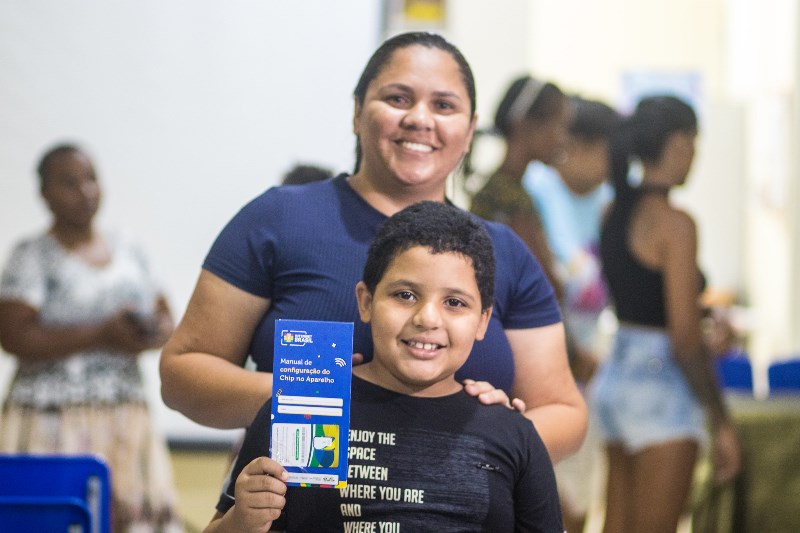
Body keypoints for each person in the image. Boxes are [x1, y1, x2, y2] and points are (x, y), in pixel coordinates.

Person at [159, 31, 586, 464]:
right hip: (296, 507)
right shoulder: (279, 219)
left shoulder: (504, 251)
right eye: (398, 98)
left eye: (444, 105)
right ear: (357, 111)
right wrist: (319, 400)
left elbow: (565, 413)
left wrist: (485, 431)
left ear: (470, 128)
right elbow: (183, 373)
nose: (420, 118)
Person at [206, 201, 564, 533]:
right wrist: (241, 520)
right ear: (366, 301)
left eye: (454, 302)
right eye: (405, 295)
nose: (427, 318)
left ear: (483, 320)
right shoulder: (298, 412)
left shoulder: (514, 435)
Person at [0, 143, 183, 531]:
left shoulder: (130, 248)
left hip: (125, 415)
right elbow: (14, 334)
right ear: (44, 194)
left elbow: (168, 318)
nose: (84, 191)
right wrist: (101, 334)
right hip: (52, 421)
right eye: (69, 182)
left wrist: (146, 333)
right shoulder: (32, 255)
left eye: (91, 179)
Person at [590, 95, 741, 533]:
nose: (695, 156)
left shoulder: (613, 211)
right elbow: (684, 339)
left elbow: (639, 300)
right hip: (660, 390)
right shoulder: (676, 224)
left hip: (617, 377)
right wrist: (721, 420)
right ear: (676, 144)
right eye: (693, 143)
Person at [524, 95, 620, 533]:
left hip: (591, 365)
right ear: (577, 144)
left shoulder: (610, 201)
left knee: (580, 500)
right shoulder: (536, 191)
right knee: (547, 493)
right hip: (542, 357)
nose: (612, 163)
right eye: (607, 151)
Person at [468, 74, 572, 300]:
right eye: (559, 125)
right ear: (525, 124)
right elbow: (548, 284)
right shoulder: (510, 200)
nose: (562, 139)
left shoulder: (495, 189)